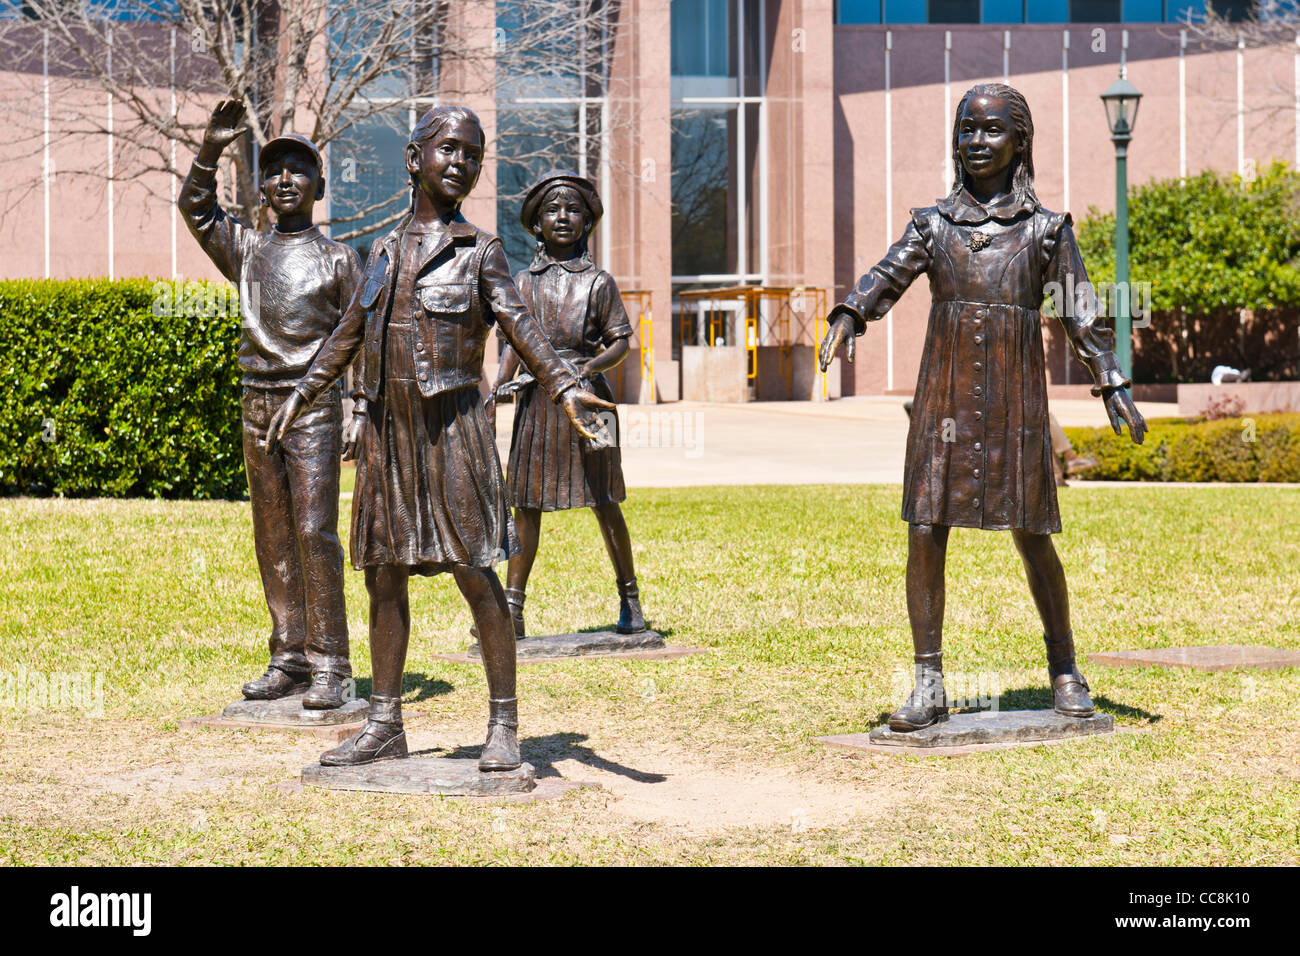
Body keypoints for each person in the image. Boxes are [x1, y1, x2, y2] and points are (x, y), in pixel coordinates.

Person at [265, 106, 614, 771]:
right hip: (390, 441)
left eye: (473, 155)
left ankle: (504, 725)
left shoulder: (481, 251)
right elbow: (350, 333)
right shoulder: (386, 250)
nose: (461, 162)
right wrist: (306, 390)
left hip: (455, 434)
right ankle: (384, 722)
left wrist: (566, 388)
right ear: (413, 157)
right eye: (449, 149)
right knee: (384, 577)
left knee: (475, 575)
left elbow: (521, 326)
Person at [820, 83, 1147, 731]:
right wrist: (850, 314)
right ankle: (928, 680)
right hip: (942, 397)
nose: (976, 141)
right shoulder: (932, 225)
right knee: (924, 530)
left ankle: (1064, 669)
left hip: (1016, 403)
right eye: (966, 130)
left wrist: (1112, 384)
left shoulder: (1046, 231)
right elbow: (886, 276)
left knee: (1032, 534)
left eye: (992, 130)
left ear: (1020, 141)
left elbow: (1081, 315)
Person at [178, 100, 361, 709]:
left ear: (319, 187)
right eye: (275, 171)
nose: (285, 180)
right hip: (256, 401)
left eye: (298, 170)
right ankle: (288, 655)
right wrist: (210, 148)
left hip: (311, 406)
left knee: (315, 532)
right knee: (273, 534)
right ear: (262, 185)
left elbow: (354, 336)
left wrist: (358, 407)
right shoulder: (248, 251)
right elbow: (195, 208)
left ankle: (332, 661)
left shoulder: (340, 258)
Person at [485, 171, 645, 638]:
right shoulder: (523, 283)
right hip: (537, 403)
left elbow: (622, 342)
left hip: (591, 401)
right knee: (526, 504)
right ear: (535, 224)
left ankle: (630, 600)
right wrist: (498, 386)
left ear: (587, 221)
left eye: (573, 209)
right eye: (552, 210)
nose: (562, 217)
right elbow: (516, 341)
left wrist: (587, 367)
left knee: (606, 501)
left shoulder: (599, 281)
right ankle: (511, 611)